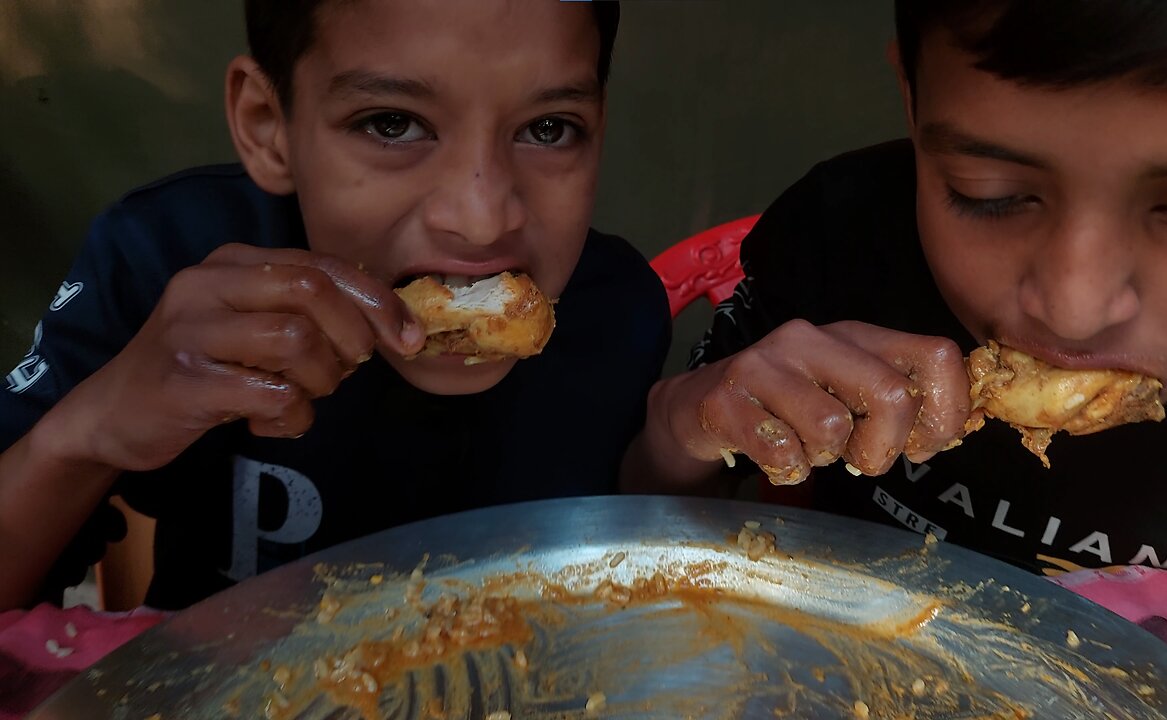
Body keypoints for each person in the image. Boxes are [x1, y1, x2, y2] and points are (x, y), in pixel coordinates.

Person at [0, 0, 669, 611]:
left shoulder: (620, 315)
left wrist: (677, 448)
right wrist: (85, 437)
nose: (481, 219)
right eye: (392, 123)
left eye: (550, 128)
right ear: (269, 127)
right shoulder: (166, 267)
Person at [624, 0, 1167, 577]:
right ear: (912, 102)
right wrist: (676, 432)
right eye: (987, 194)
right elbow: (638, 527)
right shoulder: (840, 241)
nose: (1072, 311)